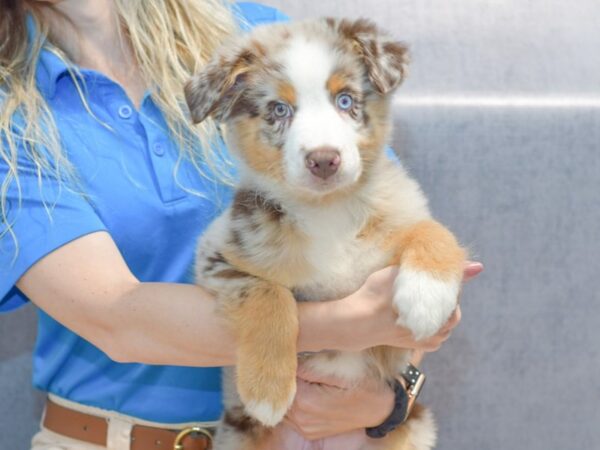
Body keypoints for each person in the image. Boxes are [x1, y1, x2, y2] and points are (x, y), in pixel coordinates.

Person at [0, 0, 483, 449]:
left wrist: (390, 397)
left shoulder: (250, 30)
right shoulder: (9, 112)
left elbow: (386, 242)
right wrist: (347, 324)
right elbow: (117, 319)